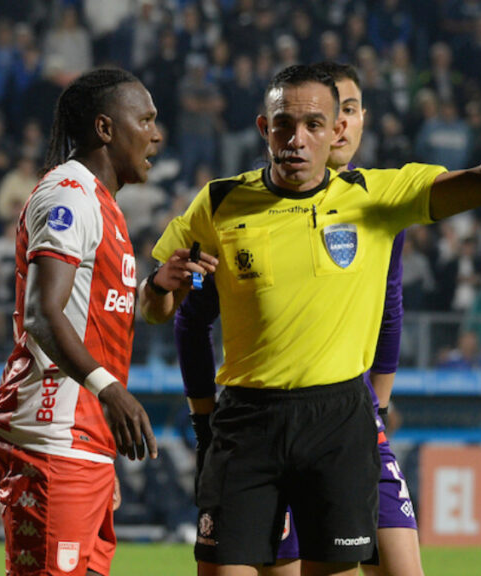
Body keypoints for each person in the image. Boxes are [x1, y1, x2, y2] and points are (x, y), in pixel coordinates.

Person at [141, 49, 481, 576]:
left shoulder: (376, 197)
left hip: (338, 419)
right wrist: (158, 287)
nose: (297, 138)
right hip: (247, 420)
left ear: (335, 129)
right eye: (285, 125)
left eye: (313, 124)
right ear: (264, 127)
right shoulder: (217, 203)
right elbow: (159, 311)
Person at [173, 61, 423, 576]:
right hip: (258, 418)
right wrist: (204, 421)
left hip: (345, 418)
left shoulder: (376, 202)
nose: (343, 125)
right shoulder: (232, 204)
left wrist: (377, 404)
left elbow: (389, 309)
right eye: (299, 122)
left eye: (350, 112)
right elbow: (189, 313)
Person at [0, 68, 216, 576]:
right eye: (146, 120)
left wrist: (156, 288)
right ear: (106, 129)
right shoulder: (69, 195)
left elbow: (96, 313)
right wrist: (110, 392)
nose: (157, 134)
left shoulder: (104, 205)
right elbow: (44, 314)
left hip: (82, 437)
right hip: (51, 430)